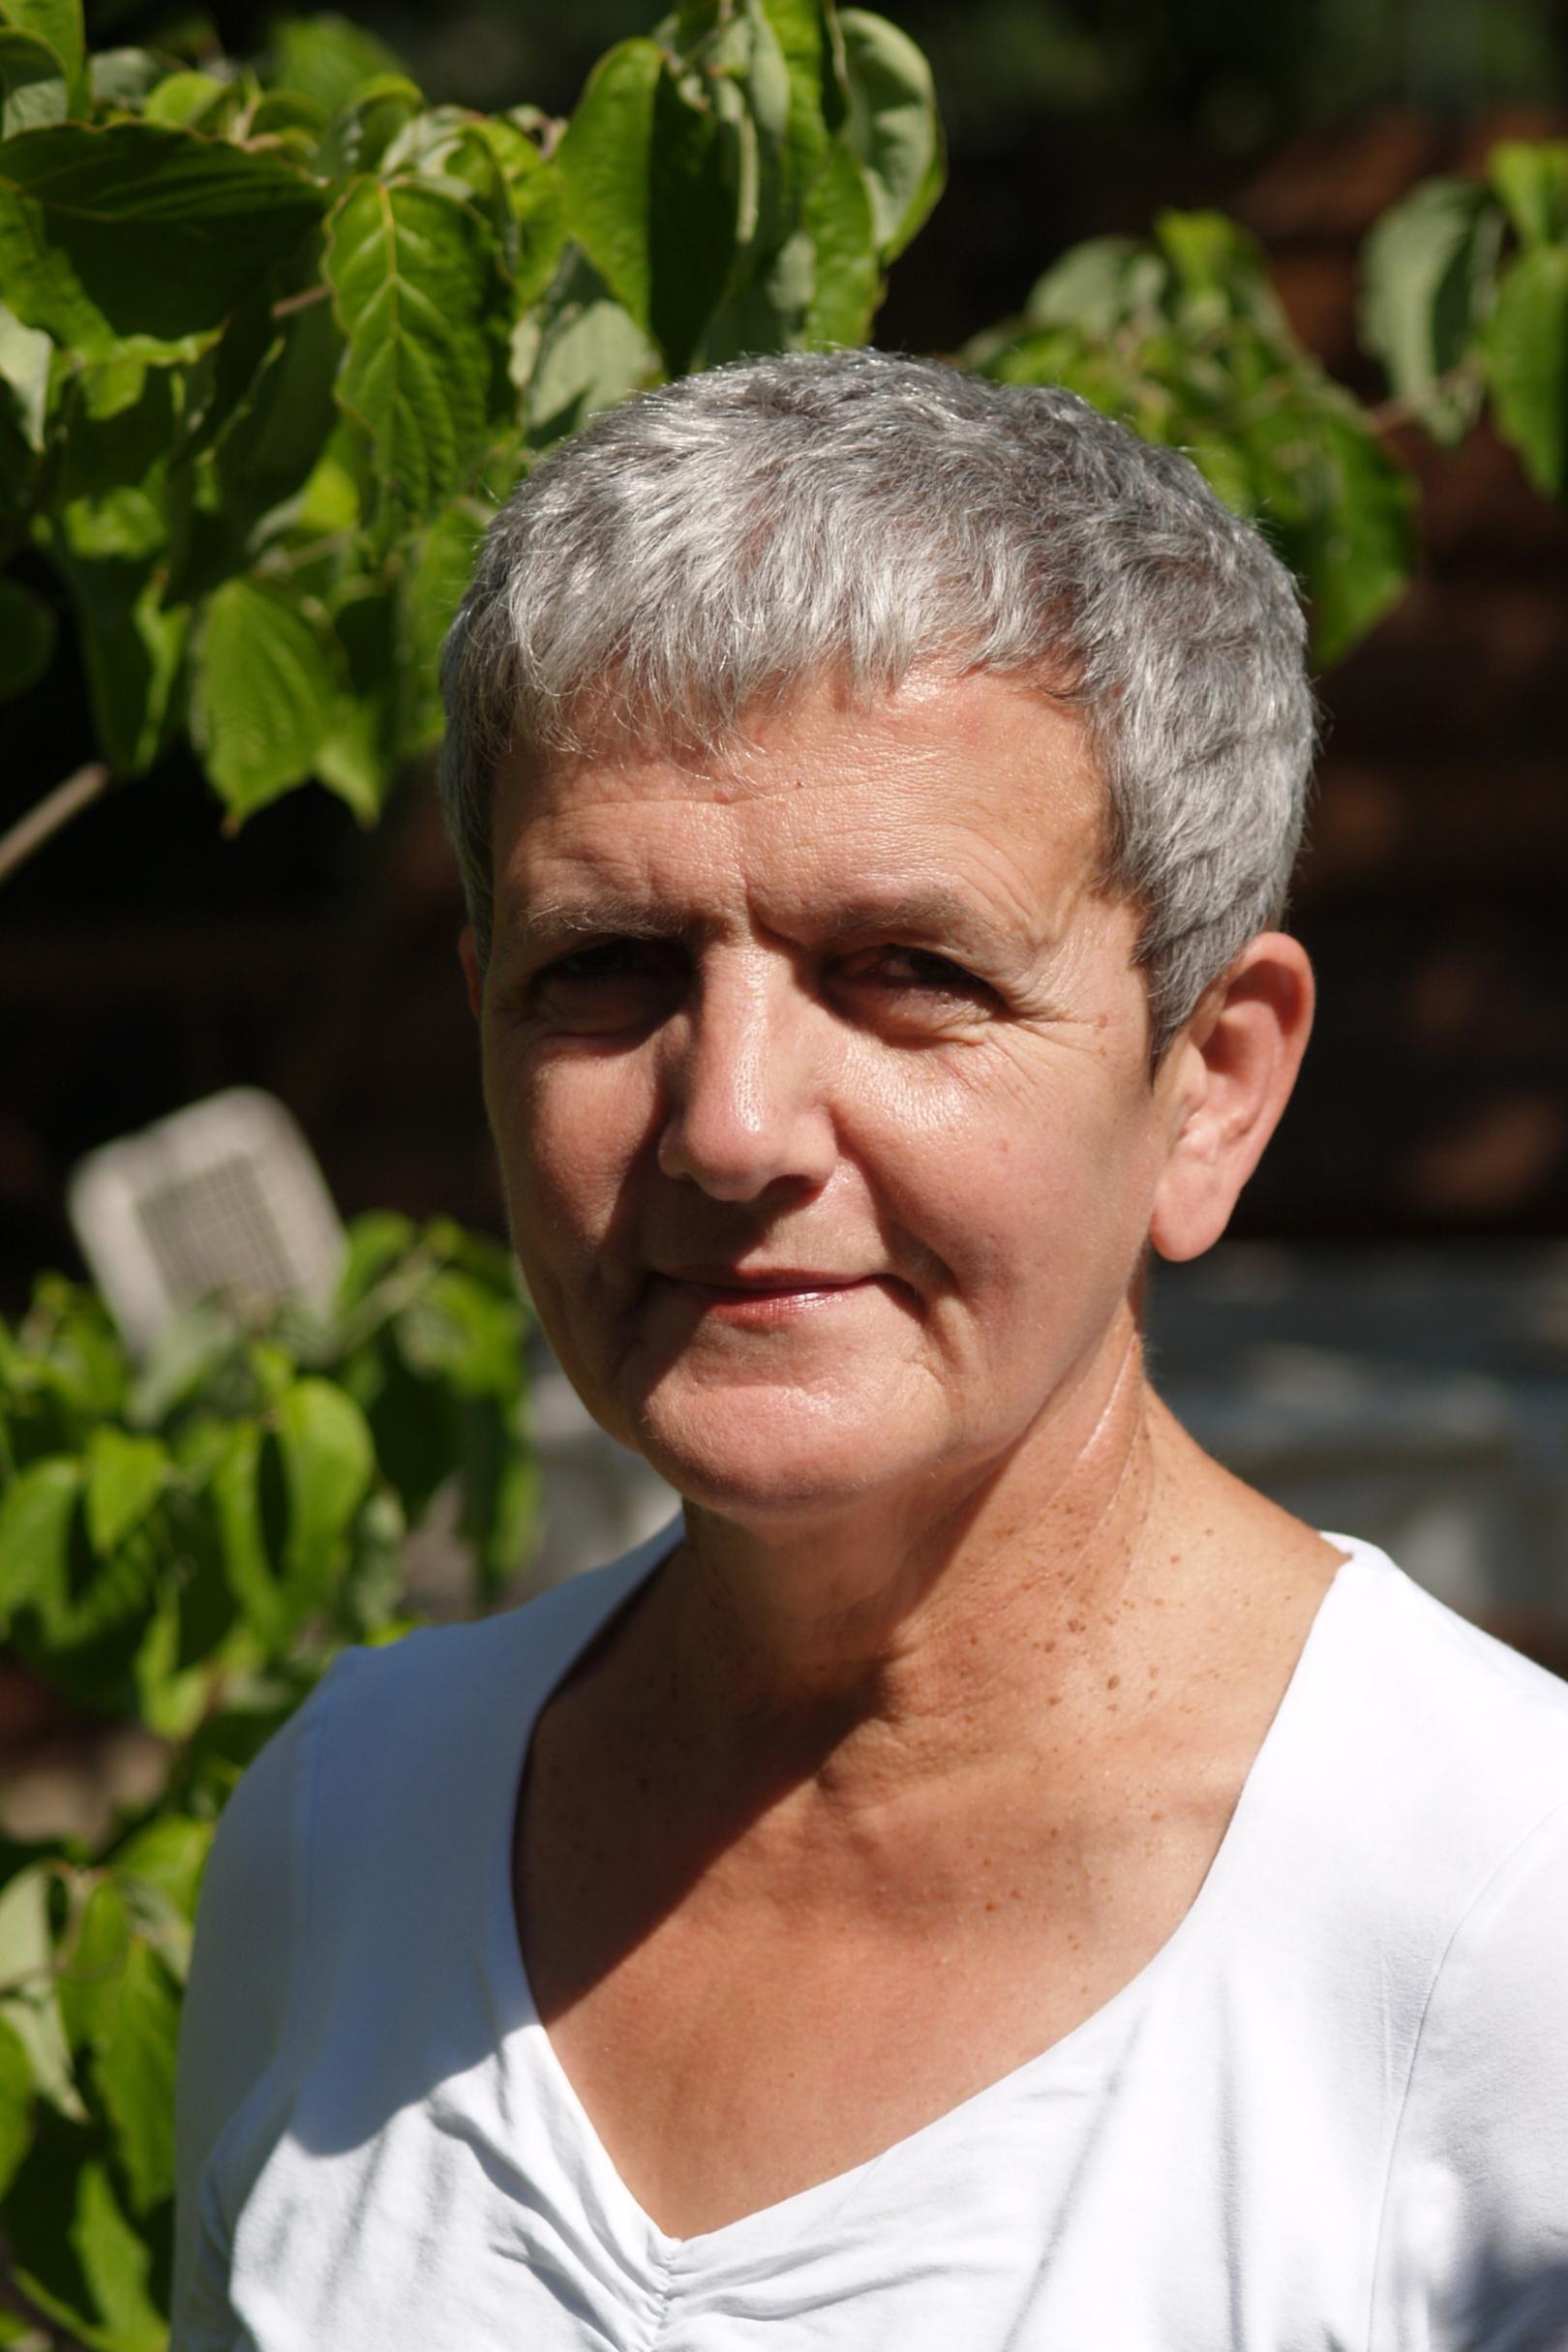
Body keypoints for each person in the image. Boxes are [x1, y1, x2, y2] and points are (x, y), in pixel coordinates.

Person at [173, 351, 1568, 2351]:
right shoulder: (349, 1836)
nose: (731, 1122)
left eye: (908, 972)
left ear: (1212, 1085)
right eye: (606, 969)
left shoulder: (1499, 1924)